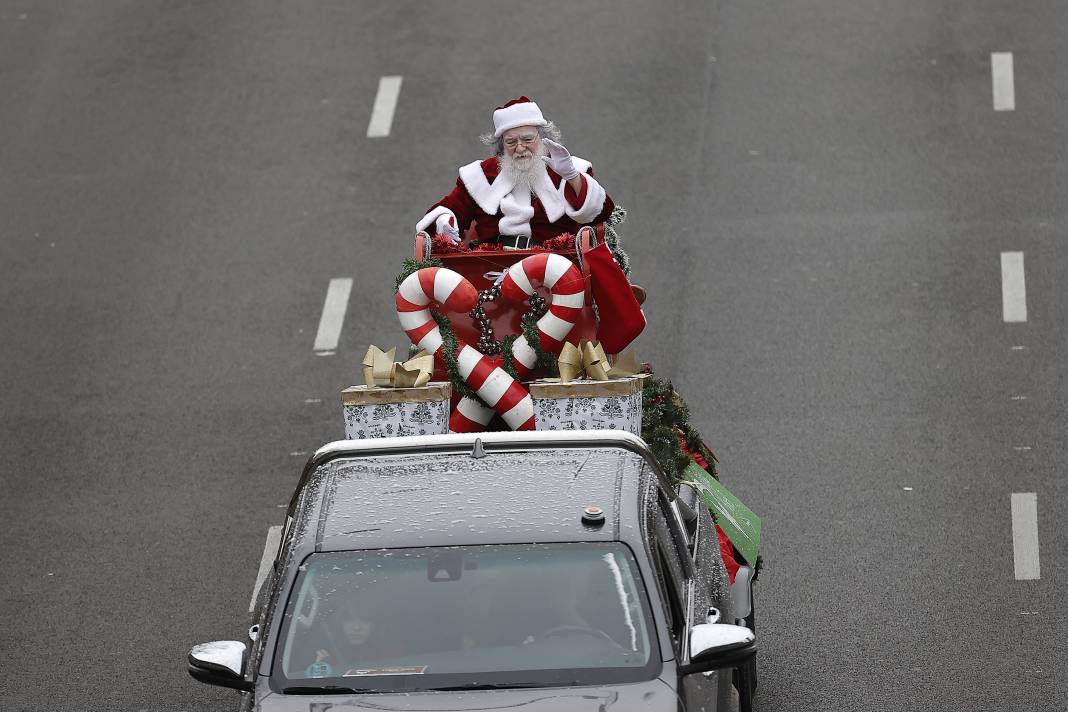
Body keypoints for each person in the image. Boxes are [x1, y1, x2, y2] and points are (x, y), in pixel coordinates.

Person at [417, 97, 615, 249]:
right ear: (501, 146)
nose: (520, 148)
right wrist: (444, 220)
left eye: (527, 139)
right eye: (511, 142)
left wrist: (572, 177)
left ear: (543, 138)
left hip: (558, 265)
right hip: (491, 265)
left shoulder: (568, 168)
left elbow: (600, 213)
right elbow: (450, 209)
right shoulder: (482, 174)